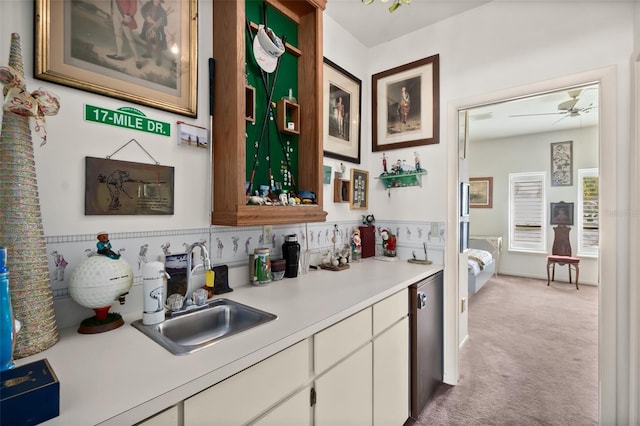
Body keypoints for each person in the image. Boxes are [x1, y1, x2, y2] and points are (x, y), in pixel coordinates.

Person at [107, 0, 143, 70]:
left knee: (129, 38)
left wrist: (129, 16)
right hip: (115, 13)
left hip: (125, 16)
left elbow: (133, 5)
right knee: (117, 34)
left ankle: (137, 59)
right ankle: (119, 54)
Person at [140, 0, 168, 67]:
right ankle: (148, 54)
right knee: (148, 40)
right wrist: (146, 17)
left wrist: (158, 24)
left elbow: (165, 23)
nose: (156, 1)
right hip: (148, 27)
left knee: (158, 43)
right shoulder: (148, 4)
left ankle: (159, 58)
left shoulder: (162, 11)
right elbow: (142, 10)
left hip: (157, 30)